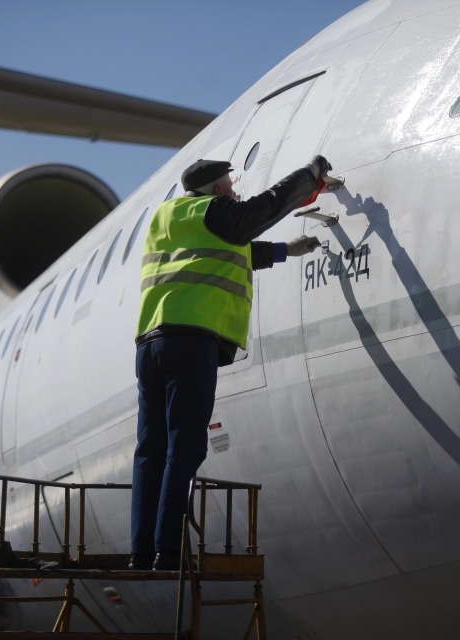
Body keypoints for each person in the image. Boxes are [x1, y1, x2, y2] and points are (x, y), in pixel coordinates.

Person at [129, 155, 332, 570]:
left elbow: (224, 252)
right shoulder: (216, 211)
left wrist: (284, 252)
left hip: (151, 343)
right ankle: (167, 552)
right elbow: (258, 212)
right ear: (219, 189)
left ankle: (141, 551)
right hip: (191, 340)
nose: (235, 193)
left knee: (151, 450)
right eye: (231, 186)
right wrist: (307, 177)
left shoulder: (168, 216)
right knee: (185, 447)